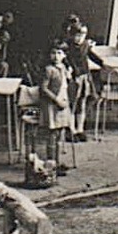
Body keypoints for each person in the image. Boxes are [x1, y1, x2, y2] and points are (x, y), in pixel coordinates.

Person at [61, 22, 106, 143]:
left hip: (85, 76)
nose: (80, 37)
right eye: (77, 35)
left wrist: (102, 63)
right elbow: (64, 59)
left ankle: (80, 129)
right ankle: (71, 129)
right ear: (72, 35)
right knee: (72, 103)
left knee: (82, 102)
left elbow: (91, 55)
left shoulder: (85, 45)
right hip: (73, 78)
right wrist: (68, 68)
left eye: (83, 35)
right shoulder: (67, 47)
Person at [38, 42, 73, 172]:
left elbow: (65, 85)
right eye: (53, 53)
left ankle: (57, 162)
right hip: (52, 104)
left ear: (64, 55)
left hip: (63, 101)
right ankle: (51, 163)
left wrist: (69, 76)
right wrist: (56, 100)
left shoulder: (63, 67)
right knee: (52, 135)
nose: (56, 56)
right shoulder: (49, 70)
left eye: (59, 53)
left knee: (60, 134)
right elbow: (43, 88)